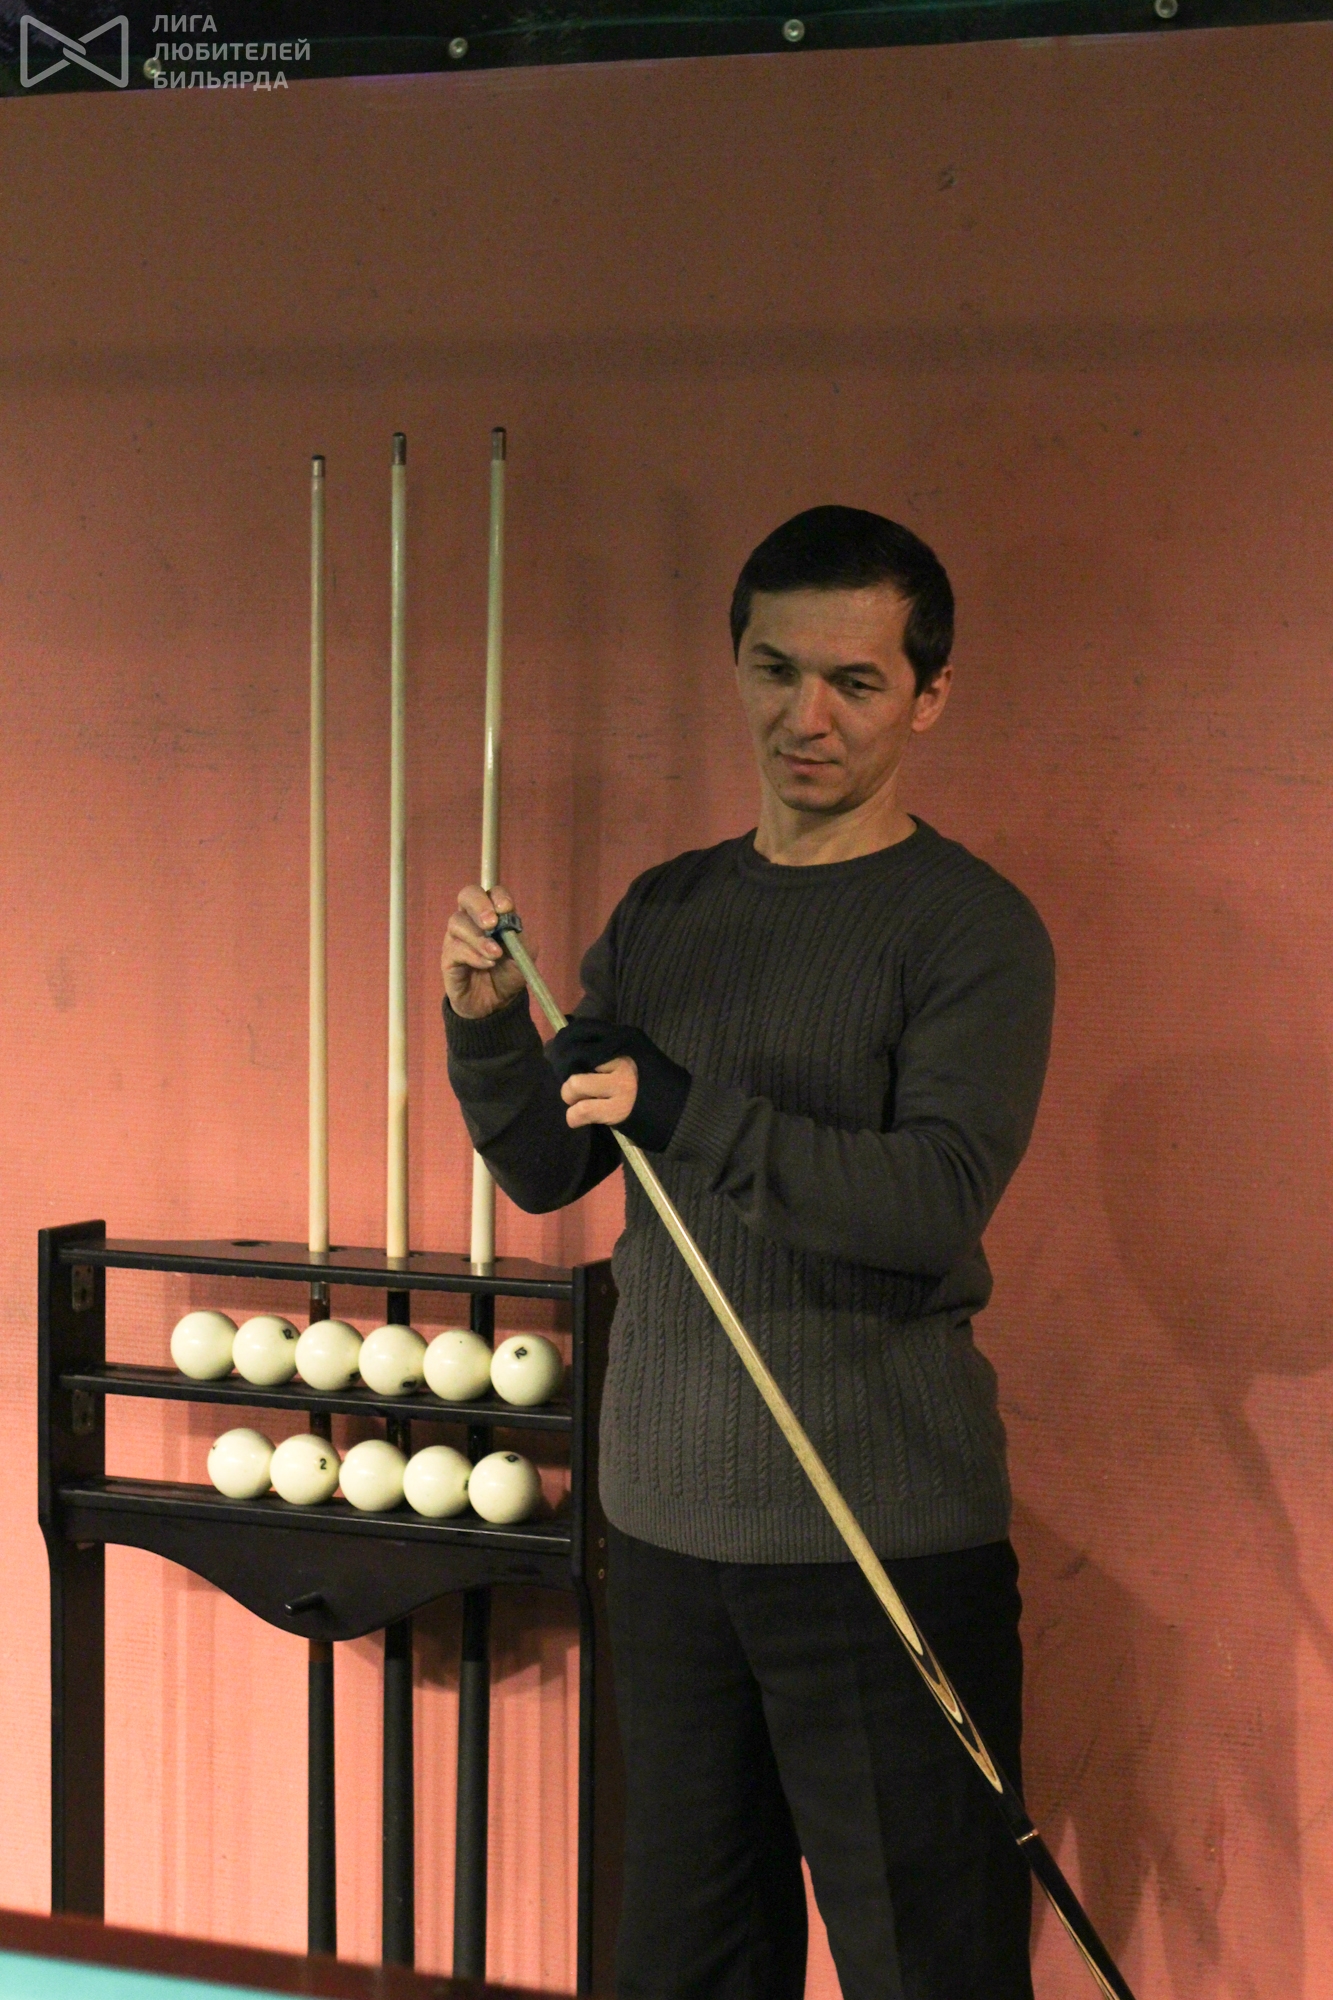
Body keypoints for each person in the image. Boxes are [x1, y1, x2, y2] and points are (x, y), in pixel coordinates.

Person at [440, 505, 1055, 2000]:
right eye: (776, 671)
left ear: (929, 696)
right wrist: (487, 1028)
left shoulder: (971, 930)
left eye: (856, 681)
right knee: (684, 1968)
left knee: (927, 1968)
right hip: (665, 1535)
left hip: (879, 1539)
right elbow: (549, 1167)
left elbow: (931, 1203)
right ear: (736, 666)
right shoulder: (668, 910)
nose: (807, 717)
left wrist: (689, 1108)